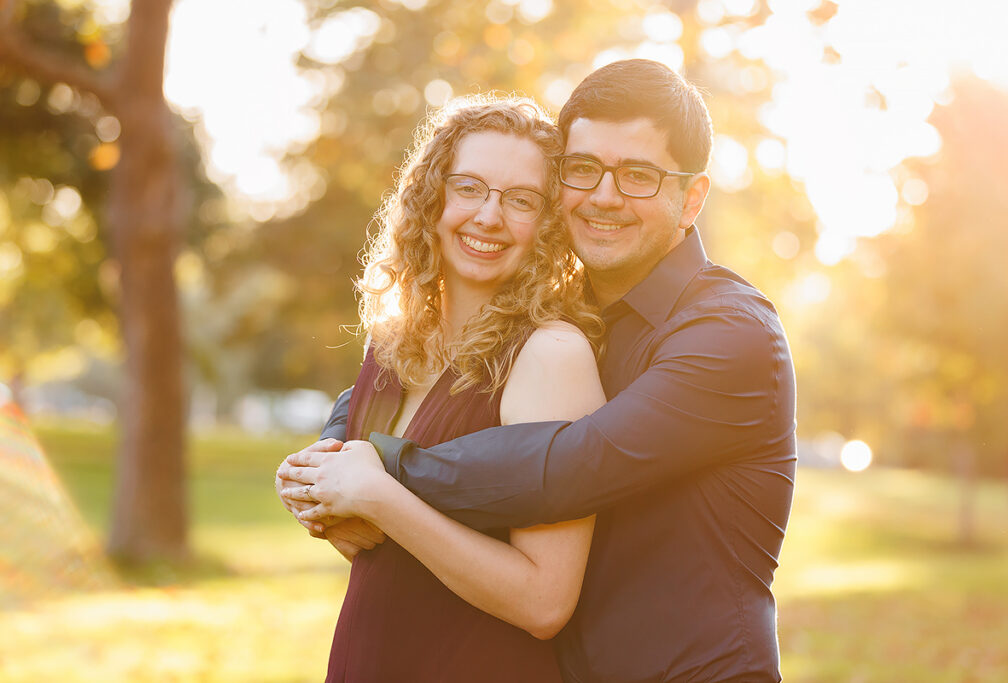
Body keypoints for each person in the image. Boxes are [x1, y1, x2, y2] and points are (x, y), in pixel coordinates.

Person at [283, 59, 798, 683]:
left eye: (638, 175)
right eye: (583, 170)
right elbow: (438, 388)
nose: (604, 196)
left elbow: (568, 466)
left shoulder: (729, 334)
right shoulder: (567, 316)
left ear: (691, 197)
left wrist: (378, 472)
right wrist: (330, 455)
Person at [278, 95, 607, 682]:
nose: (489, 216)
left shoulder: (550, 356)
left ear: (549, 222)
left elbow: (545, 602)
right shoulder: (389, 346)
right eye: (470, 188)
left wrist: (378, 496)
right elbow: (377, 546)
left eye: (521, 200)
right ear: (433, 198)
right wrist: (316, 494)